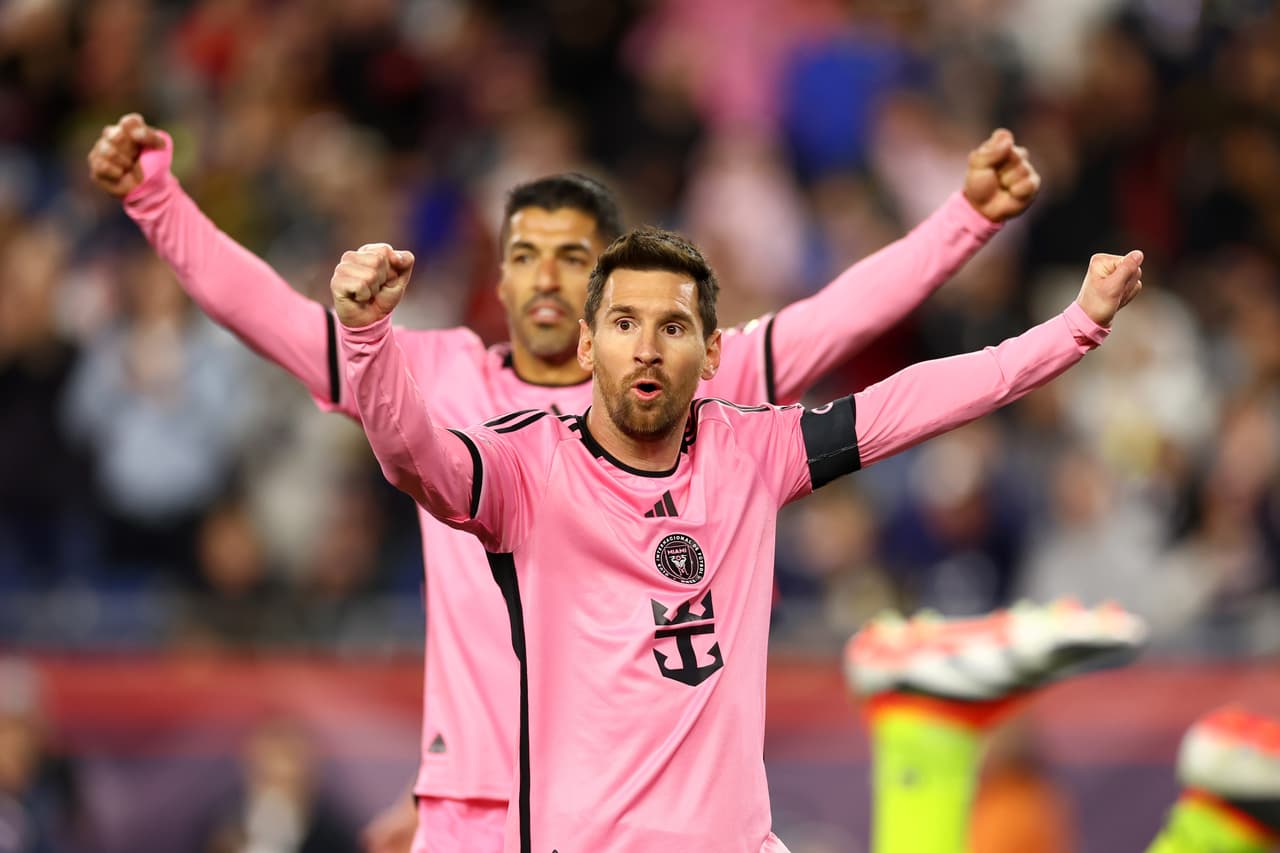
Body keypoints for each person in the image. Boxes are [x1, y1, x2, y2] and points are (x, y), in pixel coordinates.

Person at [87, 113, 1041, 851]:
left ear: (609, 285)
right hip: (469, 795)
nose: (546, 278)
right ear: (497, 278)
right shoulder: (433, 378)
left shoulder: (683, 391)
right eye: (524, 255)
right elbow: (270, 314)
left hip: (626, 806)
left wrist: (964, 222)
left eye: (574, 256)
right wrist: (158, 202)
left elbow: (842, 318)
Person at [329, 223, 1142, 850]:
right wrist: (367, 338)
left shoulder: (752, 450)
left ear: (713, 351)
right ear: (587, 345)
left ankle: (925, 726)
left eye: (673, 327)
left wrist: (1076, 325)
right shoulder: (522, 468)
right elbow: (413, 456)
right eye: (622, 322)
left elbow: (913, 401)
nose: (646, 346)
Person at [845, 604, 1280, 853]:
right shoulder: (1016, 800)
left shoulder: (1019, 804)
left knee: (925, 748)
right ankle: (1221, 829)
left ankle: (924, 736)